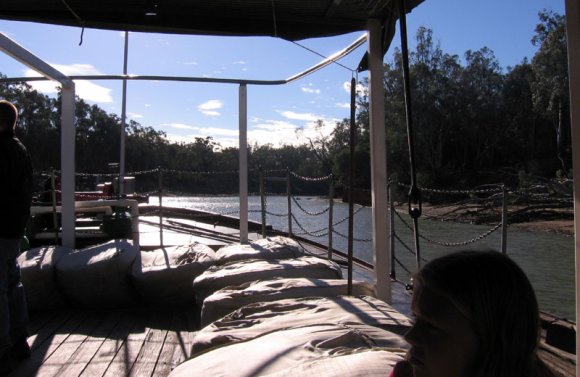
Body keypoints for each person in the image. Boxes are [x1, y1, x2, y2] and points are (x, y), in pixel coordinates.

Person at [390, 249, 556, 377]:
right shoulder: (406, 372)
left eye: (433, 327)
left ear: (492, 342)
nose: (410, 336)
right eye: (415, 319)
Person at [0, 100, 33, 374]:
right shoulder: (20, 150)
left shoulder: (1, 150)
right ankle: (20, 339)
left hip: (0, 227)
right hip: (13, 228)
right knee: (13, 282)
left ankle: (2, 346)